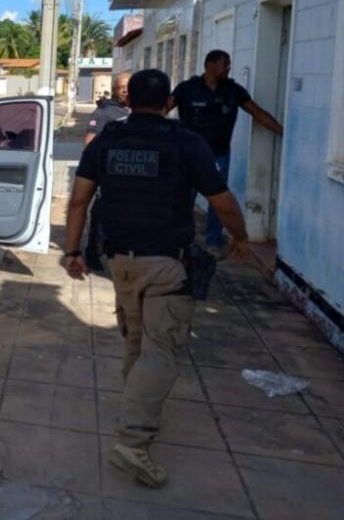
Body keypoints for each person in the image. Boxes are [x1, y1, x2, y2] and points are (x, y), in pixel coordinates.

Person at [61, 68, 249, 489]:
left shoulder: (107, 140)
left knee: (135, 340)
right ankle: (133, 441)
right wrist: (240, 238)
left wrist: (73, 252)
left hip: (118, 261)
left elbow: (78, 202)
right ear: (168, 103)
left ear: (129, 101)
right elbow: (222, 202)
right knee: (161, 349)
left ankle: (136, 409)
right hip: (166, 263)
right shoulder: (187, 142)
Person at [169, 50, 283, 250]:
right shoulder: (187, 89)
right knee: (184, 198)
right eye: (225, 64)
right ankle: (180, 239)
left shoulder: (233, 91)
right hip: (187, 157)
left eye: (229, 64)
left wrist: (283, 133)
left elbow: (257, 112)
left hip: (219, 155)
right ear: (210, 65)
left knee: (218, 200)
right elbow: (162, 109)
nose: (228, 68)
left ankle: (214, 239)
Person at [82, 73, 131, 272]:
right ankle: (93, 252)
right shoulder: (104, 112)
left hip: (132, 174)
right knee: (102, 215)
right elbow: (89, 143)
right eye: (121, 87)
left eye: (129, 86)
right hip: (111, 175)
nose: (126, 90)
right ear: (114, 90)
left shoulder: (137, 109)